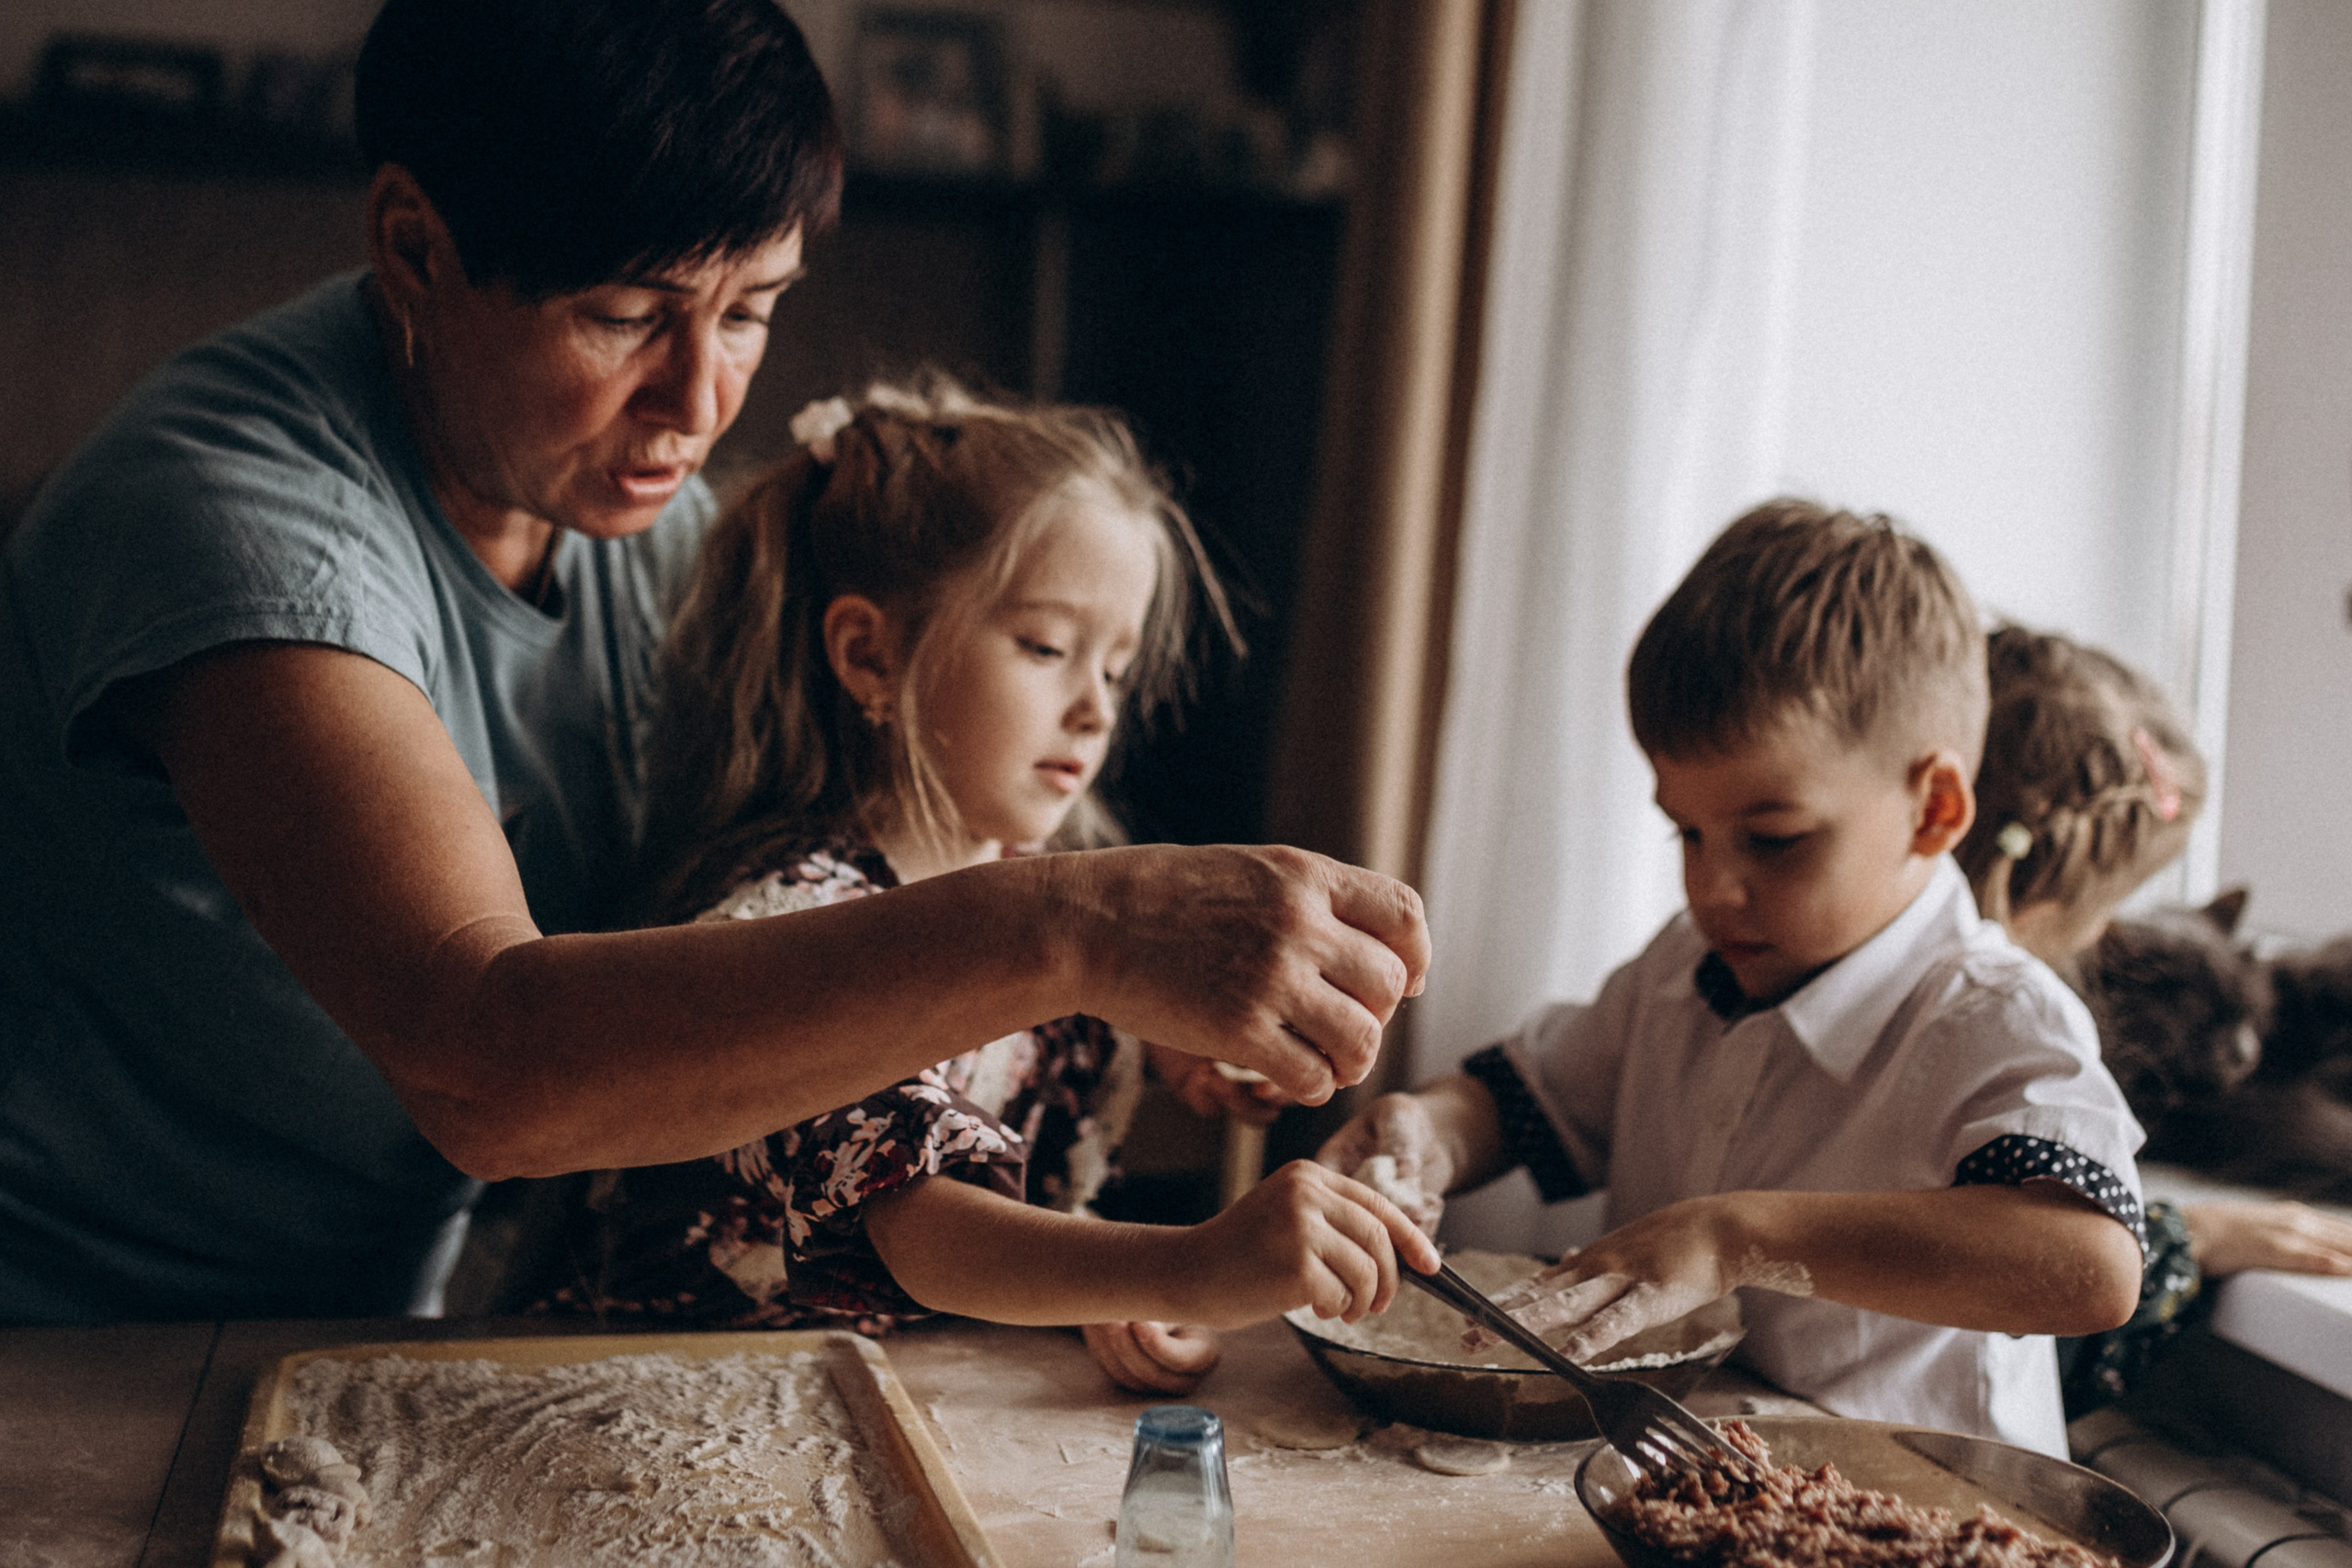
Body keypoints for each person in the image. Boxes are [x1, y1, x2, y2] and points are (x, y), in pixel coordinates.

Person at [0, 0, 1428, 1326]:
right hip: (67, 1337)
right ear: (415, 244)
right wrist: (1084, 930)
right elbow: (486, 1064)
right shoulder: (231, 526)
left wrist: (1136, 998)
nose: (699, 401)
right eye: (628, 314)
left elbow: (811, 894)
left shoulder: (644, 524)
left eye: (749, 309)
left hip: (379, 1307)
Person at [540, 378, 1433, 1393]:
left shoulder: (1050, 896)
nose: (1095, 710)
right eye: (1047, 648)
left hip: (886, 1393)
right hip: (656, 1399)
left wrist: (1162, 1043)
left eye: (1117, 670)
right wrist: (1185, 1266)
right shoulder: (798, 915)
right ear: (871, 654)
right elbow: (913, 1225)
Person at [1317, 501, 2145, 1457]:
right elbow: (1521, 1099)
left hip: (1938, 1516)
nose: (1712, 886)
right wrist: (1426, 1137)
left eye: (1774, 839)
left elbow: (2089, 1267)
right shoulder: (1684, 969)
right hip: (1717, 1485)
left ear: (1934, 808)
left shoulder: (1991, 1013)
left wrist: (1737, 1237)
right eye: (1686, 832)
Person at [1956, 624, 2352, 1415]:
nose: (2107, 933)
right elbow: (2018, 1316)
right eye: (2113, 902)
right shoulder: (2027, 1028)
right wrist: (2187, 1239)